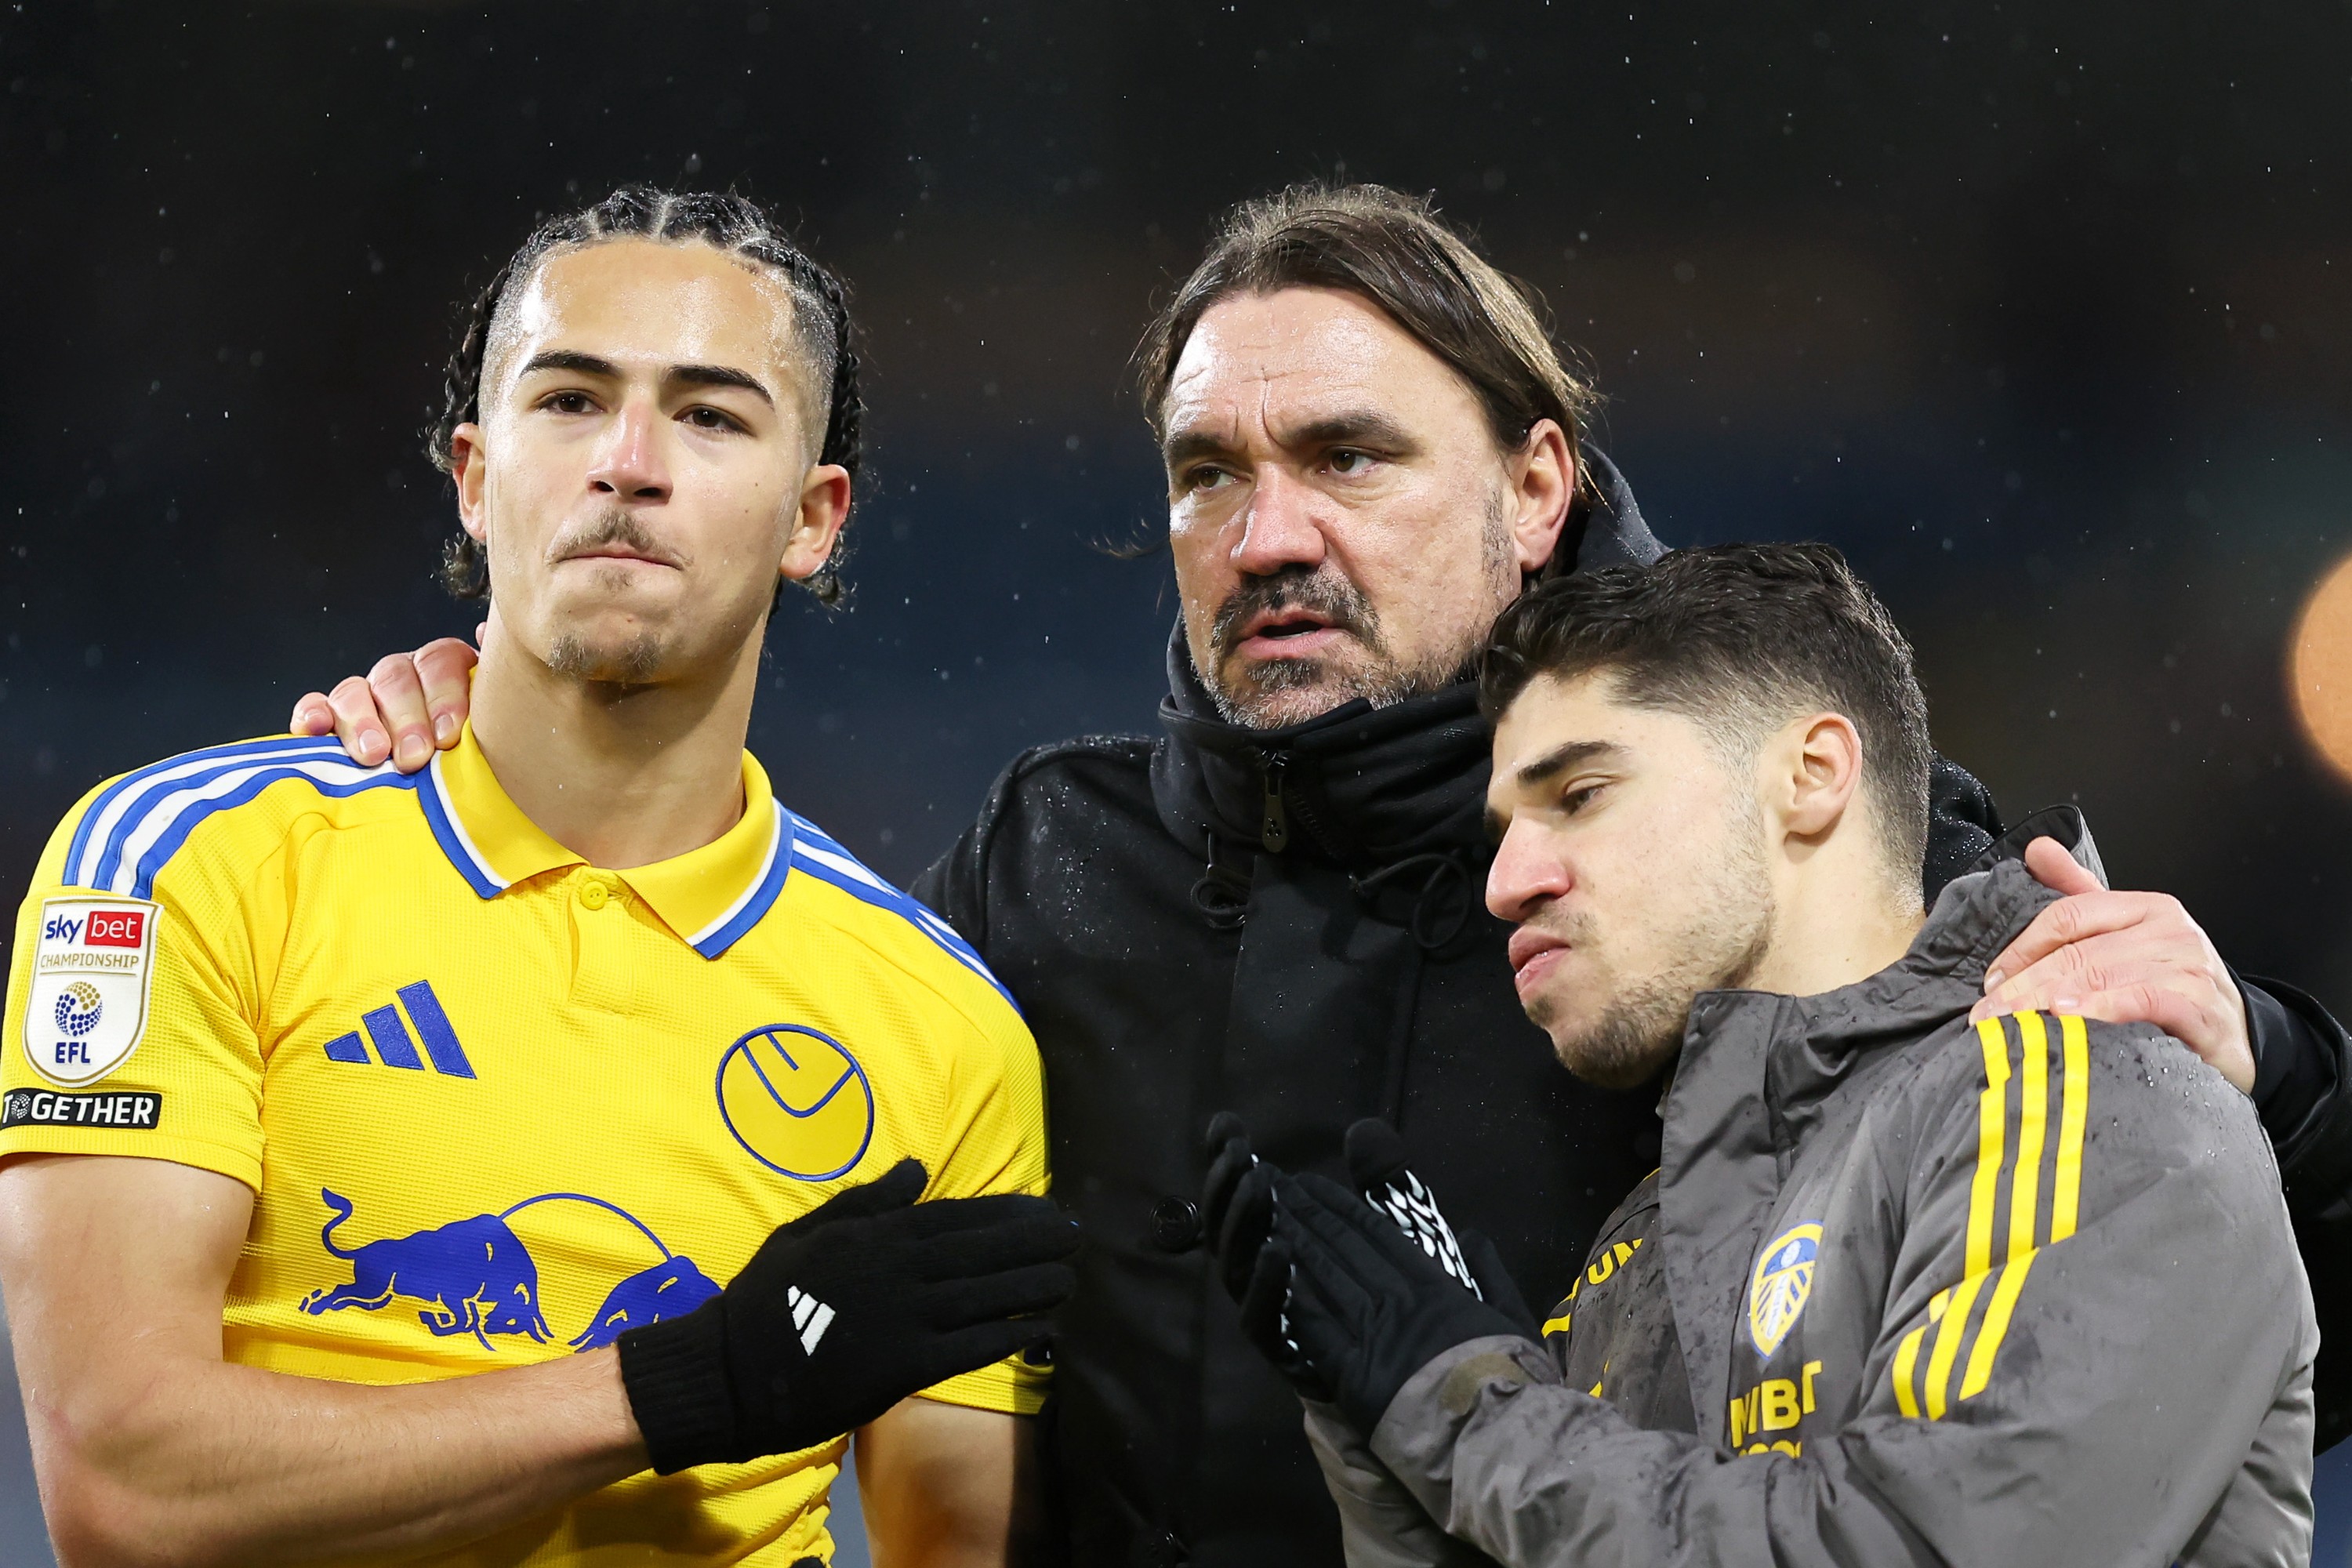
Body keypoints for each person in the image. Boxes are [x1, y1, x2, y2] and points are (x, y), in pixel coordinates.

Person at [288, 184, 2352, 1566]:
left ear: (1535, 487)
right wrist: (511, 730)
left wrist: (2271, 1073)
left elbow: (2164, 1359)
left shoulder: (1770, 846)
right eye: (1209, 475)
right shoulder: (1047, 860)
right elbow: (691, 1104)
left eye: (1348, 460)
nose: (1266, 533)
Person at [0, 187, 1077, 1568]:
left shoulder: (947, 1026)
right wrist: (686, 1387)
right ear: (472, 472)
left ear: (815, 520)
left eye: (711, 415)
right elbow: (121, 1484)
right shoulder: (178, 862)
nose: (629, 460)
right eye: (570, 400)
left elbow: (959, 1553)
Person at [1209, 543, 2316, 1566]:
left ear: (1812, 773)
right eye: (1503, 833)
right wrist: (1394, 1429)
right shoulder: (1639, 1246)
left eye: (1579, 795)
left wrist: (1468, 1413)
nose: (1509, 881)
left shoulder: (2080, 1102)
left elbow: (1919, 1547)